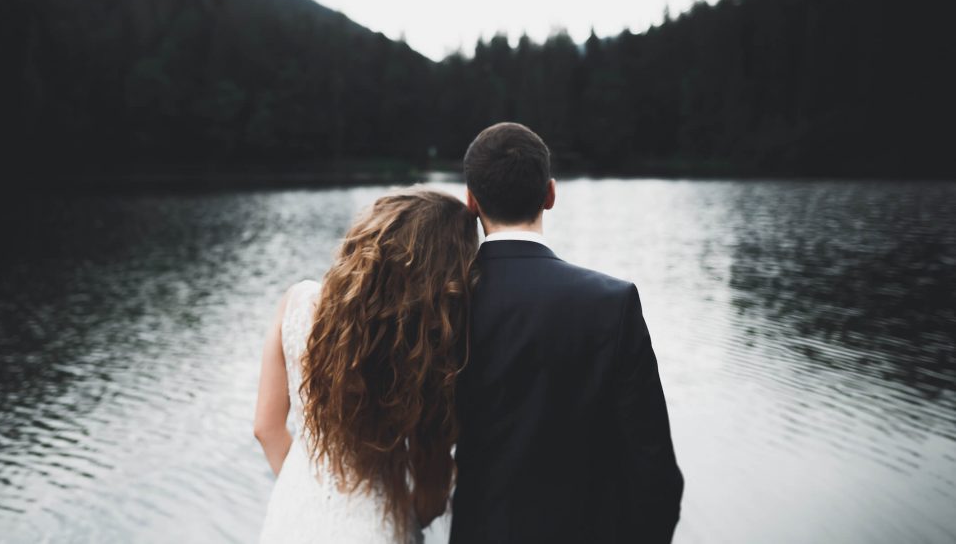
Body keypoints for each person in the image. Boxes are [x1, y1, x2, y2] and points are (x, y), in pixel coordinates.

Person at [450, 122, 684, 543]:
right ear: (550, 194)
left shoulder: (444, 305)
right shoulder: (613, 303)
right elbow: (655, 473)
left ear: (471, 201)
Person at [255, 187, 478, 543]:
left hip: (291, 520)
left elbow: (266, 429)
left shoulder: (298, 303)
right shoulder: (430, 346)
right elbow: (430, 494)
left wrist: (305, 491)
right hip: (379, 528)